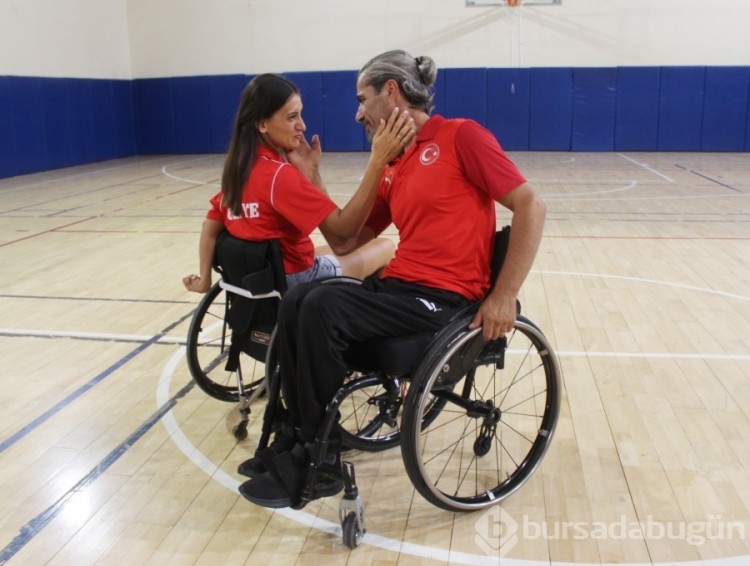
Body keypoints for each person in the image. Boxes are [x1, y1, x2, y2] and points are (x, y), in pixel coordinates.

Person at [237, 51, 547, 508]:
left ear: (392, 92)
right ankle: (294, 438)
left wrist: (504, 295)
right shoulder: (395, 163)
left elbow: (531, 206)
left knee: (323, 305)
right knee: (300, 297)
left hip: (445, 300)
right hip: (400, 291)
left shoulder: (461, 137)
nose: (358, 112)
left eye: (363, 99)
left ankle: (317, 460)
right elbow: (345, 241)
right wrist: (314, 178)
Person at [182, 73, 415, 294]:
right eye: (292, 117)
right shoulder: (277, 177)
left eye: (300, 115)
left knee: (325, 252)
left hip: (263, 276)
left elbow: (209, 228)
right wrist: (377, 162)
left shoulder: (237, 172)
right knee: (385, 247)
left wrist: (205, 278)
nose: (302, 126)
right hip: (296, 279)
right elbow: (343, 232)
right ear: (262, 124)